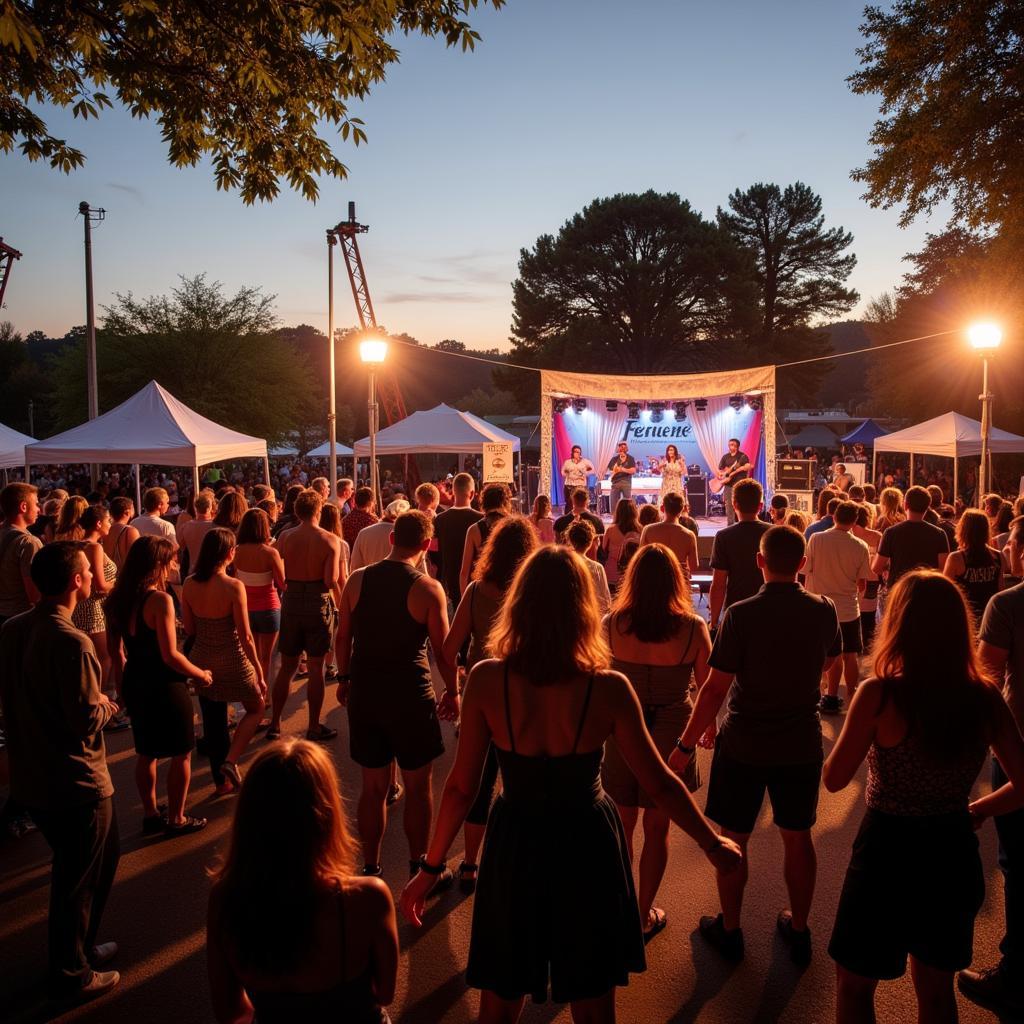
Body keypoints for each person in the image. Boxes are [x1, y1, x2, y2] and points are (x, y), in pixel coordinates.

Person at [400, 546, 741, 1023]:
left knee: (501, 995)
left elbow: (460, 787)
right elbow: (660, 783)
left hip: (515, 836)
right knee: (592, 996)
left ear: (519, 604)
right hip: (587, 838)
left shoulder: (485, 679)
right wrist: (712, 844)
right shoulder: (607, 687)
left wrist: (431, 868)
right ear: (584, 608)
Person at [823, 570, 1024, 1023]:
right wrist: (979, 809)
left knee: (855, 985)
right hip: (951, 846)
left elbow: (835, 779)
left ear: (898, 623)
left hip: (886, 849)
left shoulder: (880, 694)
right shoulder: (985, 697)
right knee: (935, 992)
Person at [673, 525, 841, 966]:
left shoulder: (741, 615)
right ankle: (800, 929)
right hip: (801, 741)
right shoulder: (823, 610)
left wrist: (686, 745)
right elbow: (829, 660)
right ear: (803, 565)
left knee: (735, 838)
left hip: (746, 741)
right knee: (798, 836)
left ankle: (731, 929)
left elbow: (713, 689)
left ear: (760, 562)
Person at [0, 543, 122, 1002]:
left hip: (32, 773)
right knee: (81, 877)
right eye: (89, 571)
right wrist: (109, 704)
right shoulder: (72, 641)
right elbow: (85, 717)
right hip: (76, 780)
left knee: (82, 869)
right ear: (75, 581)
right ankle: (72, 971)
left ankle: (80, 951)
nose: (93, 577)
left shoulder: (13, 628)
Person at [207, 739, 398, 1024]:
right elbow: (384, 994)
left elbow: (230, 1011)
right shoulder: (368, 897)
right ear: (326, 812)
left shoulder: (225, 899)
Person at [335, 511, 457, 880]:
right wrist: (453, 691)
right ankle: (419, 867)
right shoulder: (427, 588)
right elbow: (443, 649)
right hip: (410, 693)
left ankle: (371, 867)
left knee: (373, 787)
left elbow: (343, 636)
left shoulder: (357, 580)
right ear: (425, 545)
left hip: (367, 690)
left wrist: (343, 677)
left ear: (391, 540)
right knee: (419, 788)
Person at [603, 543, 711, 941]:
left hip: (623, 729)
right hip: (671, 729)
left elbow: (597, 675)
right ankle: (643, 912)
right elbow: (707, 686)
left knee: (621, 824)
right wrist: (704, 728)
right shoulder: (693, 628)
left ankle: (615, 905)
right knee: (658, 825)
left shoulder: (612, 623)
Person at [442, 516, 538, 892]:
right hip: (528, 698)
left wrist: (453, 688)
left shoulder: (476, 591)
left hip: (482, 697)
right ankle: (524, 864)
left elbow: (449, 650)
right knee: (525, 785)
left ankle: (468, 864)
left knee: (476, 785)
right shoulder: (535, 592)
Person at [960, 516, 1024, 1012]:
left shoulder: (1010, 605)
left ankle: (1017, 972)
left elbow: (986, 677)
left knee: (1018, 862)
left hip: (1018, 738)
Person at [107, 536, 211, 834]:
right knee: (182, 752)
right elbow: (171, 655)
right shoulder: (159, 600)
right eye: (170, 561)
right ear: (157, 565)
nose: (174, 565)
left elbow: (117, 654)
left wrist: (122, 689)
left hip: (136, 682)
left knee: (147, 751)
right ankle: (177, 817)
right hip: (165, 685)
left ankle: (151, 813)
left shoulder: (117, 600)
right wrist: (200, 674)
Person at [181, 528, 266, 794]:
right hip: (232, 658)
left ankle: (221, 784)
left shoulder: (190, 583)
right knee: (256, 707)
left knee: (213, 722)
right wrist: (259, 669)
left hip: (202, 659)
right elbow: (246, 635)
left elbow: (190, 629)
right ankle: (231, 760)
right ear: (230, 554)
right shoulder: (233, 586)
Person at [268, 489, 341, 742]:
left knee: (287, 667)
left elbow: (276, 567)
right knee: (316, 666)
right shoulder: (329, 540)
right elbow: (331, 580)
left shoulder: (285, 537)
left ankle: (275, 722)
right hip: (317, 599)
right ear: (318, 511)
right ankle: (312, 724)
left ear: (298, 511)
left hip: (291, 600)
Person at [805, 501, 872, 714]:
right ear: (854, 522)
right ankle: (849, 696)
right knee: (849, 654)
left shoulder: (817, 539)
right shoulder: (860, 546)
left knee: (818, 653)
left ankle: (817, 694)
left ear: (834, 517)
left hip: (819, 605)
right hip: (848, 609)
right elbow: (862, 583)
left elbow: (807, 569)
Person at [708, 478, 770, 636]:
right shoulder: (773, 533)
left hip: (735, 611)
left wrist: (713, 622)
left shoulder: (724, 536)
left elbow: (719, 584)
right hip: (768, 610)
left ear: (734, 505)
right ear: (760, 506)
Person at [71, 506, 118, 705]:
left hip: (79, 608)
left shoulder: (76, 544)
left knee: (86, 659)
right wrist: (118, 582)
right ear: (99, 523)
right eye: (108, 520)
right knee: (103, 658)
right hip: (94, 610)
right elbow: (100, 585)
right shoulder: (94, 547)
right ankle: (95, 702)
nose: (111, 524)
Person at [235, 508, 286, 686]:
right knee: (266, 658)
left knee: (251, 655)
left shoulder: (236, 551)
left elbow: (234, 580)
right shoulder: (270, 553)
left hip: (245, 608)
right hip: (269, 607)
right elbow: (282, 583)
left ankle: (253, 688)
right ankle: (263, 692)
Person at [873, 485, 950, 587]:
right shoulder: (939, 534)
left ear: (905, 505)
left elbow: (876, 568)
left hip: (898, 592)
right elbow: (944, 569)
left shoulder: (891, 532)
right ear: (927, 507)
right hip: (929, 590)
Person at [944, 508, 1003, 624]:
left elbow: (946, 591)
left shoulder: (956, 558)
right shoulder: (998, 556)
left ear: (963, 530)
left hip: (964, 617)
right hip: (989, 617)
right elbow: (1000, 591)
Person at [433, 472, 482, 605]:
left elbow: (433, 554)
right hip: (474, 584)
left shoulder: (439, 520)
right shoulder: (480, 520)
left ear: (453, 492)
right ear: (472, 494)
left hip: (447, 583)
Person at [0, 482, 41, 628]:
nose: (39, 509)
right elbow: (35, 595)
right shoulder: (29, 542)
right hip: (20, 619)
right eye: (36, 504)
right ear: (23, 507)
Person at [459, 484, 512, 596]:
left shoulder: (474, 530)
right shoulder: (515, 526)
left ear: (484, 502)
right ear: (506, 502)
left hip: (483, 592)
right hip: (509, 592)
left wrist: (466, 601)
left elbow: (464, 573)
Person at [351, 499, 425, 574]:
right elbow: (419, 568)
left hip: (370, 582)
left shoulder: (364, 533)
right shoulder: (406, 534)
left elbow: (355, 566)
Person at [639, 492, 699, 577]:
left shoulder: (648, 530)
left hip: (655, 579)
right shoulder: (689, 535)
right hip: (679, 581)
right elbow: (694, 567)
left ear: (662, 508)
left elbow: (640, 559)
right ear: (682, 509)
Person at [852, 504, 883, 654]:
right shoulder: (877, 536)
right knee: (869, 617)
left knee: (853, 616)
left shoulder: (849, 535)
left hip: (853, 580)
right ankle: (867, 651)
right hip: (872, 580)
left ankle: (856, 648)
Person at [567, 520, 612, 614]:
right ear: (590, 542)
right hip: (591, 617)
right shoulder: (597, 567)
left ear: (571, 540)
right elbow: (605, 601)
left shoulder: (564, 565)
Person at [601, 497, 642, 592]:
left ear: (618, 512)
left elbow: (604, 549)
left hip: (612, 573)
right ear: (634, 512)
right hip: (632, 573)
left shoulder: (611, 530)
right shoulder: (641, 530)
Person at [177, 491, 216, 576]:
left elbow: (182, 547)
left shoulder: (186, 526)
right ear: (209, 508)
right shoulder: (215, 527)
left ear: (195, 507)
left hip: (192, 570)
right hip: (212, 572)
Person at [716, 439, 750, 526]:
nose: (731, 446)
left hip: (740, 484)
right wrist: (721, 474)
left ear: (737, 446)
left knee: (740, 504)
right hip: (728, 484)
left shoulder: (742, 456)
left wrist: (738, 470)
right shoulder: (725, 457)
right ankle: (730, 525)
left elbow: (747, 467)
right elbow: (720, 468)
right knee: (729, 505)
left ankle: (741, 523)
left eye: (733, 444)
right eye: (730, 444)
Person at [102, 497, 140, 573]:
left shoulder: (104, 530)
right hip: (123, 578)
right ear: (127, 512)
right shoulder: (129, 531)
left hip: (108, 576)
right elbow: (137, 558)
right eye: (133, 508)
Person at [561, 445, 596, 513]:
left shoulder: (585, 462)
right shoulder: (568, 462)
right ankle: (568, 520)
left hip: (580, 485)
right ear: (572, 452)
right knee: (569, 504)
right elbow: (562, 472)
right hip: (569, 485)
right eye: (575, 452)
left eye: (578, 452)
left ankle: (581, 520)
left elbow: (593, 470)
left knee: (581, 504)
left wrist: (585, 473)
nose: (577, 453)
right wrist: (568, 475)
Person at [606, 441, 637, 512]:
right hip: (615, 482)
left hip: (626, 482)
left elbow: (633, 471)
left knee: (627, 502)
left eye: (623, 447)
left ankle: (628, 518)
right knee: (614, 502)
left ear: (626, 448)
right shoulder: (614, 459)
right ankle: (614, 518)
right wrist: (614, 470)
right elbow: (609, 471)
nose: (622, 448)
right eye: (620, 447)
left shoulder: (630, 458)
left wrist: (622, 469)